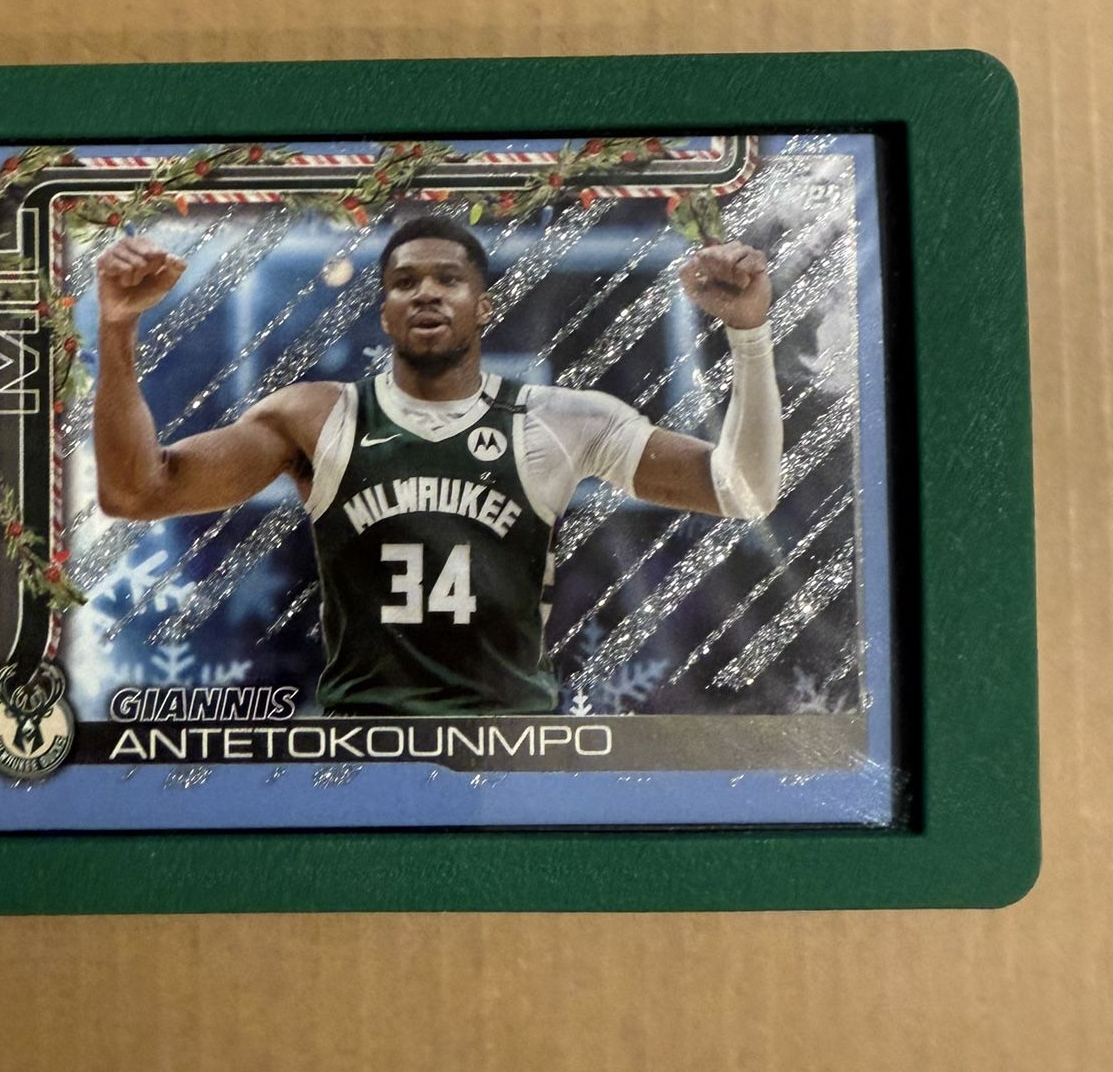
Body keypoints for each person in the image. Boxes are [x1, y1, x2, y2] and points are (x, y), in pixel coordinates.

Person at [94, 213, 781, 715]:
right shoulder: (317, 416)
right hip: (364, 742)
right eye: (404, 282)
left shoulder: (561, 419)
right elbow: (136, 492)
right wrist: (118, 329)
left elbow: (743, 490)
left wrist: (749, 334)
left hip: (510, 740)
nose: (426, 292)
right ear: (385, 313)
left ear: (484, 307)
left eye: (448, 279)